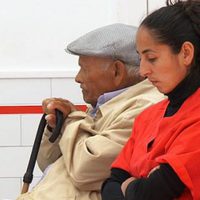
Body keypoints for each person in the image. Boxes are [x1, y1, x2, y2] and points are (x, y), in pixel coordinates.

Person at [17, 23, 164, 200]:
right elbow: (47, 163)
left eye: (84, 69)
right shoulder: (105, 105)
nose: (77, 78)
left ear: (117, 71)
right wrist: (55, 129)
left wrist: (72, 121)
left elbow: (85, 169)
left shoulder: (144, 108)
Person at [101, 1, 200, 200]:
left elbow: (151, 193)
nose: (143, 70)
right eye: (140, 59)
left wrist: (130, 185)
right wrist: (136, 187)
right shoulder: (148, 116)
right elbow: (110, 185)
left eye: (152, 58)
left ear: (186, 53)